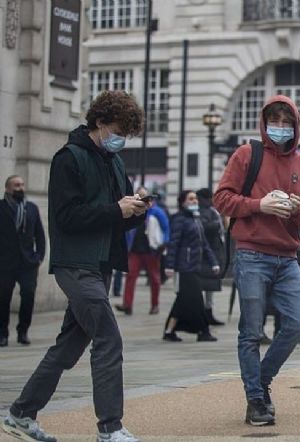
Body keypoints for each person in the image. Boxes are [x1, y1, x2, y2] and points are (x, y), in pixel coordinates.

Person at [2, 90, 147, 442]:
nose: (121, 140)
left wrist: (135, 210)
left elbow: (117, 218)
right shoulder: (69, 158)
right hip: (75, 264)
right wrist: (117, 210)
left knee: (69, 346)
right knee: (109, 339)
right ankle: (110, 428)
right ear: (99, 122)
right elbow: (67, 217)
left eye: (127, 134)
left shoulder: (113, 162)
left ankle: (21, 413)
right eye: (118, 130)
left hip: (101, 263)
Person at [214, 95, 300, 426]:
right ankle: (256, 400)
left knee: (298, 324)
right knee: (252, 331)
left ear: (296, 126)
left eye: (288, 123)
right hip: (252, 253)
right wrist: (260, 205)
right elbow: (222, 198)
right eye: (275, 121)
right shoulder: (247, 154)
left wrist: (294, 208)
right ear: (264, 123)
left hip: (287, 257)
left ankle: (260, 381)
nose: (282, 128)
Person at [162, 190, 219, 343]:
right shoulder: (179, 219)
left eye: (195, 199)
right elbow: (173, 244)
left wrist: (213, 262)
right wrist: (169, 266)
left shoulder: (196, 219)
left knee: (182, 301)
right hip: (185, 267)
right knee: (197, 300)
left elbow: (204, 244)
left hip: (194, 266)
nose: (194, 201)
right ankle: (203, 331)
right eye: (191, 199)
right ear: (182, 202)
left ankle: (169, 331)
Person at [0, 175, 46, 347]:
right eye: (16, 185)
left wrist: (39, 256)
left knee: (28, 296)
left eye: (22, 185)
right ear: (8, 188)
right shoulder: (1, 207)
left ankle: (23, 332)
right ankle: (2, 334)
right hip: (5, 263)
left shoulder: (31, 208)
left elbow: (40, 236)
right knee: (3, 299)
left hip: (28, 263)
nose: (20, 188)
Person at [115, 186, 169, 316]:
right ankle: (127, 305)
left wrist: (164, 243)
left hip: (151, 250)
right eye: (139, 195)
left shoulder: (156, 211)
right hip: (135, 250)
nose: (141, 198)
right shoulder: (132, 210)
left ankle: (155, 305)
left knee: (155, 278)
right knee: (130, 276)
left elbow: (166, 228)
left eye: (143, 195)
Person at [196, 187, 226, 326]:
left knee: (209, 286)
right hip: (206, 252)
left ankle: (208, 312)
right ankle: (203, 314)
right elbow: (203, 228)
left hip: (213, 250)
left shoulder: (212, 210)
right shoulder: (204, 211)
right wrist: (216, 224)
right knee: (204, 284)